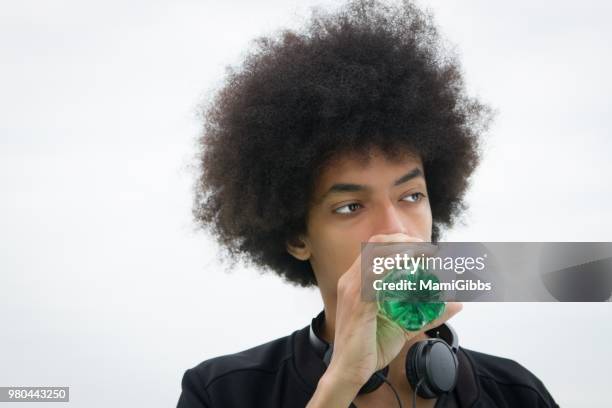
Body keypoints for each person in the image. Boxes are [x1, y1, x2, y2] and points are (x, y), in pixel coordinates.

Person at [178, 1, 560, 406]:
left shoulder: (517, 393)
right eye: (350, 207)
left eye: (411, 196)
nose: (394, 228)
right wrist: (340, 382)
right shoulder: (222, 392)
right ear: (296, 236)